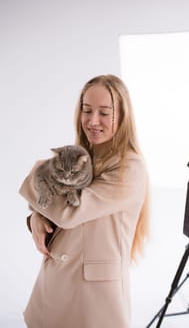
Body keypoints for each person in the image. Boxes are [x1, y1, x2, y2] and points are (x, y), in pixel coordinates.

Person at [19, 74, 150, 328]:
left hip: (95, 298)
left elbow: (71, 213)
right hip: (55, 284)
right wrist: (36, 215)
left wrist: (36, 171)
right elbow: (59, 212)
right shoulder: (80, 156)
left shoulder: (129, 167)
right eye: (87, 110)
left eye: (104, 113)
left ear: (122, 116)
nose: (92, 121)